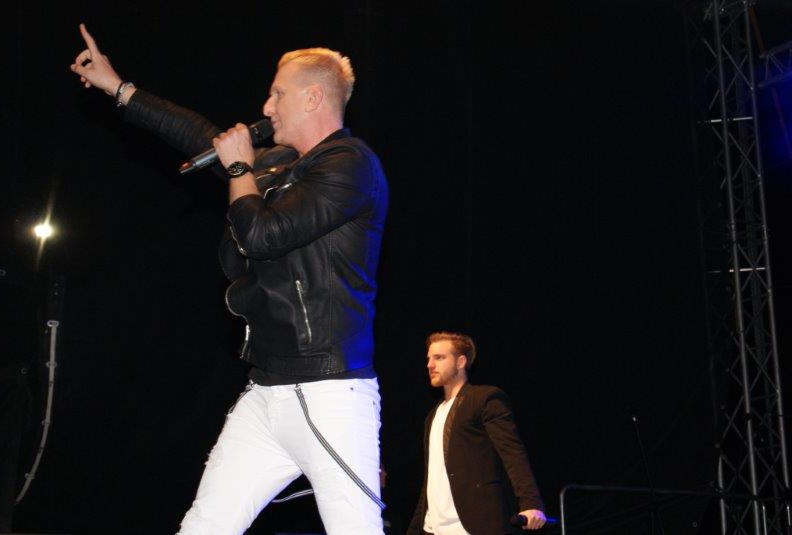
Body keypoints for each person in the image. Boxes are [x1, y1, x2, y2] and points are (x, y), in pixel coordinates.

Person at [70, 24, 389, 535]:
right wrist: (121, 89)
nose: (266, 106)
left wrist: (239, 168)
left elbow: (262, 236)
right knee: (206, 525)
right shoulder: (281, 162)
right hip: (266, 391)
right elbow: (203, 137)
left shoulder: (351, 165)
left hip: (328, 392)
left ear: (313, 97)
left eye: (278, 94)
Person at [408, 332, 547, 534]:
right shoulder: (433, 415)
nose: (430, 365)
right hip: (433, 527)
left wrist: (531, 502)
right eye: (429, 358)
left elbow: (512, 453)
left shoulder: (484, 399)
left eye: (439, 358)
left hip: (474, 524)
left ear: (461, 362)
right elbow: (432, 476)